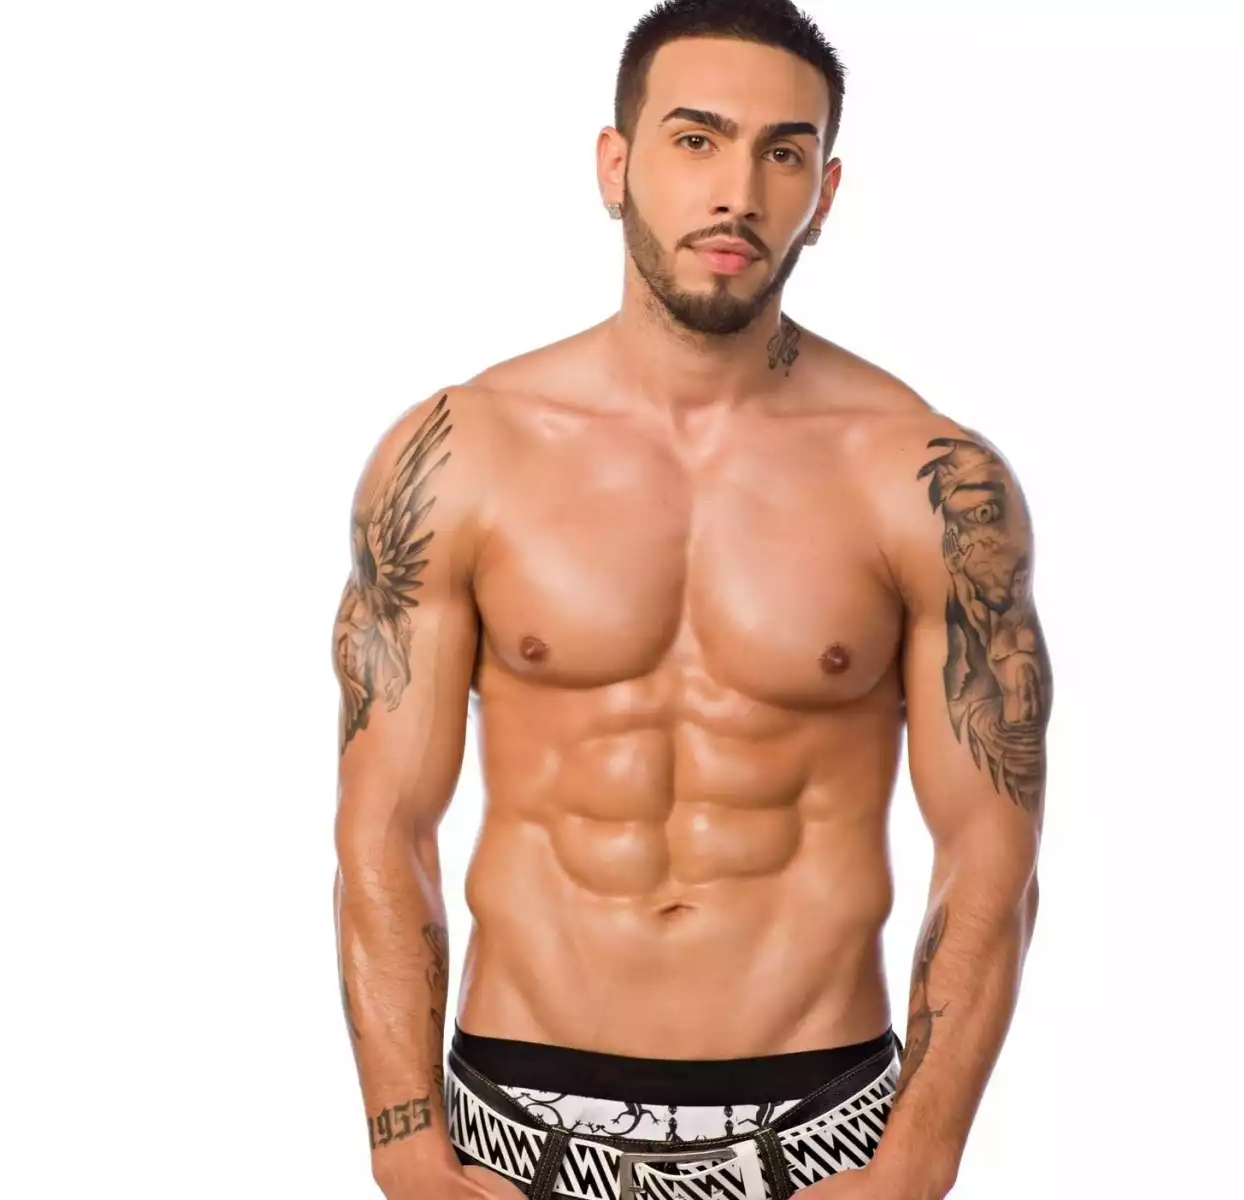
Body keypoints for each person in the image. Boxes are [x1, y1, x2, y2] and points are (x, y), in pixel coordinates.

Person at [330, 2, 1050, 1197]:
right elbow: (382, 826)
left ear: (824, 191)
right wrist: (404, 1141)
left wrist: (918, 1158)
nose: (739, 193)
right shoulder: (461, 455)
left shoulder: (924, 479)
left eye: (784, 153)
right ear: (615, 165)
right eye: (697, 140)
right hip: (509, 1125)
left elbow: (992, 848)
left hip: (826, 1130)